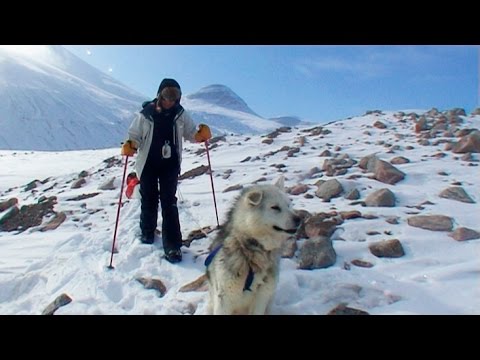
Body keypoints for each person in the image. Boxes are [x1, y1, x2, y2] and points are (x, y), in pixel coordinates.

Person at [121, 78, 212, 263]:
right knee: (149, 197)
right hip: (148, 163)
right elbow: (134, 135)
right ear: (159, 94)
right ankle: (147, 232)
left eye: (175, 96)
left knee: (169, 202)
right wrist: (131, 145)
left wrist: (199, 136)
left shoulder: (180, 114)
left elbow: (190, 132)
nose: (170, 100)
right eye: (167, 95)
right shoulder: (146, 114)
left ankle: (172, 246)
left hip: (169, 164)